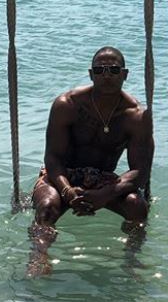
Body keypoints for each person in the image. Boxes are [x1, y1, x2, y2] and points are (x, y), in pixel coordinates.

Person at [28, 46, 153, 277]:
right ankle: (39, 256)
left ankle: (131, 258)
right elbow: (53, 158)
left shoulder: (136, 116)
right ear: (90, 74)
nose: (106, 74)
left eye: (114, 69)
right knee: (47, 207)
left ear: (125, 74)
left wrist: (105, 194)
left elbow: (140, 171)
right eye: (100, 69)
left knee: (138, 207)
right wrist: (67, 191)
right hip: (63, 175)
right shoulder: (67, 105)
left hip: (103, 178)